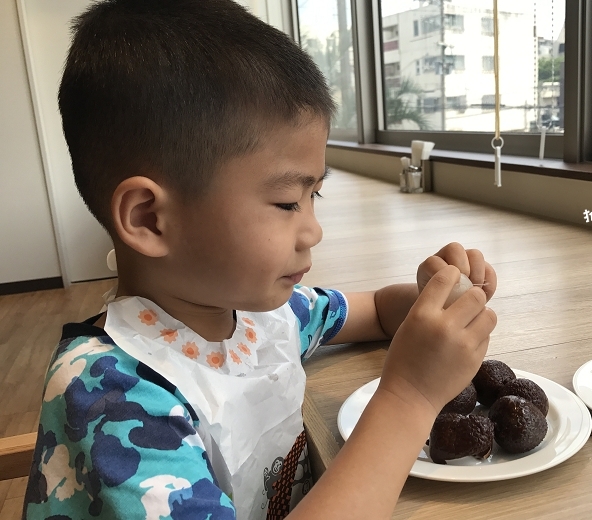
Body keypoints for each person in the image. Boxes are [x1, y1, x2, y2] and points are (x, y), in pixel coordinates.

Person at [23, 1, 497, 519]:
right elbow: (404, 390)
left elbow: (378, 311)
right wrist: (409, 396)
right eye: (287, 202)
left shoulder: (262, 315)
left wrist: (439, 299)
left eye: (317, 195)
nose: (313, 228)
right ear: (150, 219)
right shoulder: (112, 397)